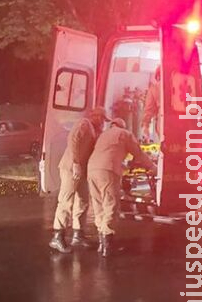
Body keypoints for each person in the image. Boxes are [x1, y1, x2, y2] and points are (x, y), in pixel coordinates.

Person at [88, 118, 156, 257]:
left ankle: (102, 243)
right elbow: (139, 153)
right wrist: (152, 166)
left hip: (92, 170)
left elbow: (108, 153)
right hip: (108, 170)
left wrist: (122, 165)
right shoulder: (124, 134)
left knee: (99, 205)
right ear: (123, 126)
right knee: (111, 205)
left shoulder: (103, 135)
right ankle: (108, 245)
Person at [49, 106, 108, 253]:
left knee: (82, 201)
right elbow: (73, 139)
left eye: (103, 119)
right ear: (94, 115)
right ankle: (57, 236)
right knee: (66, 200)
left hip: (80, 170)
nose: (102, 122)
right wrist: (75, 162)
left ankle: (78, 235)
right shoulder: (84, 123)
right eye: (100, 118)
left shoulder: (94, 130)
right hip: (71, 167)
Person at [141, 66, 161, 143]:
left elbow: (148, 110)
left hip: (163, 121)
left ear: (158, 75)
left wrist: (146, 126)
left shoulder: (154, 88)